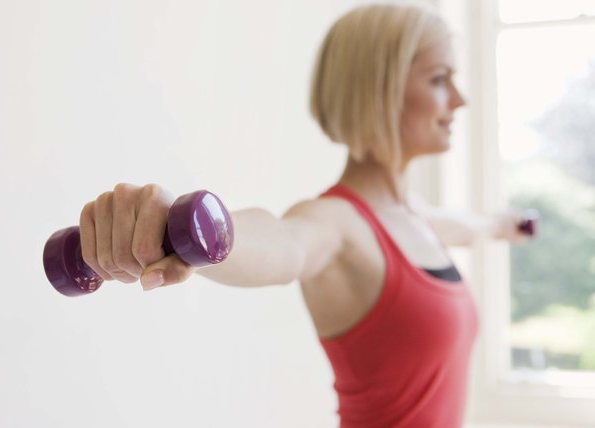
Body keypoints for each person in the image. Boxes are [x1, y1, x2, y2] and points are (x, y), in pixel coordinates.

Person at [77, 2, 530, 427]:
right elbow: (283, 241)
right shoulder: (337, 224)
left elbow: (471, 226)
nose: (458, 99)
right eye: (438, 79)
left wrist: (503, 225)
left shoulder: (415, 218)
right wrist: (202, 230)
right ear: (381, 88)